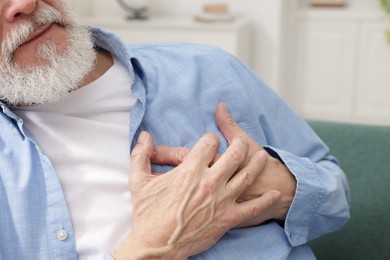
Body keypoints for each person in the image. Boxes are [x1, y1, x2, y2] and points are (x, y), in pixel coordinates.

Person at [0, 0, 350, 259]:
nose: (24, 4)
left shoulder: (209, 67)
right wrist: (154, 245)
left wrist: (275, 188)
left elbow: (336, 199)